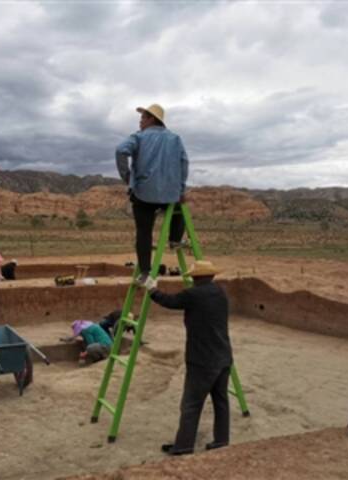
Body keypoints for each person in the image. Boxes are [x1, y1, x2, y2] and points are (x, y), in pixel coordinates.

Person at [146, 260, 232, 456]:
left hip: (202, 360)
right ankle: (221, 440)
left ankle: (183, 446)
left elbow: (170, 301)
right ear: (211, 276)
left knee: (191, 404)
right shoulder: (220, 292)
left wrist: (152, 290)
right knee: (221, 401)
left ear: (194, 277)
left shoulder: (193, 295)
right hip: (224, 356)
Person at [116, 103, 189, 287]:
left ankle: (145, 272)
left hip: (143, 194)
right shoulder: (175, 139)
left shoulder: (139, 137)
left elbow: (120, 150)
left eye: (142, 118)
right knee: (179, 208)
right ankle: (174, 240)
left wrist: (127, 177)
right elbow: (184, 163)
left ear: (151, 119)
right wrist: (180, 189)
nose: (140, 121)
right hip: (169, 195)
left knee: (144, 233)